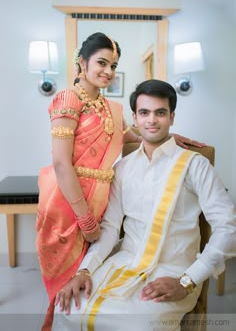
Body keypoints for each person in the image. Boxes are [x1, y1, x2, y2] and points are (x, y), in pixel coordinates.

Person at [36, 32, 205, 330]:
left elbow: (130, 136)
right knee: (66, 287)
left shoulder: (110, 107)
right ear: (82, 62)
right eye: (102, 63)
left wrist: (169, 137)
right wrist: (85, 219)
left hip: (99, 201)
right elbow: (62, 164)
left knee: (85, 280)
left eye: (113, 65)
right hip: (69, 204)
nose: (108, 72)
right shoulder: (67, 98)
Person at [51, 79, 236, 331]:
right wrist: (83, 271)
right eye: (144, 113)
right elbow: (110, 228)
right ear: (135, 118)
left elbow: (228, 227)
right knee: (67, 308)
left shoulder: (195, 164)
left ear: (172, 117)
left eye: (160, 113)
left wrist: (188, 280)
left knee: (142, 326)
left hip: (174, 270)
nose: (152, 120)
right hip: (125, 263)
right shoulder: (123, 168)